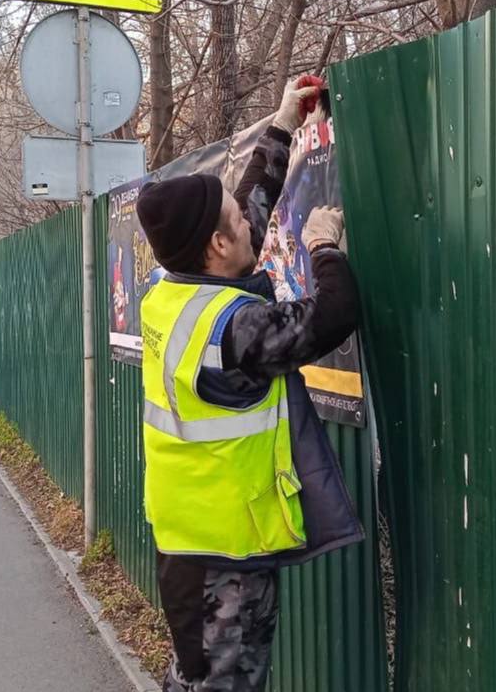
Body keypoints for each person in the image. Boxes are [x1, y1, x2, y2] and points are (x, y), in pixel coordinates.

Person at [135, 77, 361, 692]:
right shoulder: (233, 330)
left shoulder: (172, 294)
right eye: (233, 219)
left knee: (194, 678)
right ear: (215, 242)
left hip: (188, 544)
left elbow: (246, 213)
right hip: (225, 563)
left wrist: (284, 122)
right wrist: (321, 245)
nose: (250, 220)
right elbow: (333, 316)